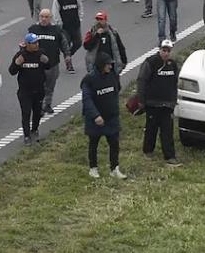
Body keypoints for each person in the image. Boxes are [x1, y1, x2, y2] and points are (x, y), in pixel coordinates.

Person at [81, 51, 126, 179]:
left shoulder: (112, 76)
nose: (110, 67)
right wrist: (95, 116)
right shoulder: (89, 79)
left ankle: (114, 168)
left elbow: (117, 89)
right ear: (101, 65)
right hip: (95, 119)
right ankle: (93, 168)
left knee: (114, 143)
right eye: (108, 64)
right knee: (93, 143)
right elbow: (87, 100)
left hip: (111, 117)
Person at [136, 39, 181, 166]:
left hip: (167, 104)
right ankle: (148, 150)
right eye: (164, 50)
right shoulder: (150, 62)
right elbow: (142, 81)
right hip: (152, 103)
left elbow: (175, 83)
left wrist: (173, 101)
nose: (166, 53)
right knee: (151, 128)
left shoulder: (173, 65)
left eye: (168, 51)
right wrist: (141, 100)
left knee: (167, 131)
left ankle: (170, 156)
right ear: (159, 49)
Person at [8, 32, 51, 146]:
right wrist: (17, 63)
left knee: (37, 112)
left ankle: (35, 130)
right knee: (26, 113)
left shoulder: (41, 54)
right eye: (33, 43)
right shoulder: (21, 55)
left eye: (37, 42)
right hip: (25, 91)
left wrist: (46, 61)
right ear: (27, 44)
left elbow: (48, 66)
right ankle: (26, 136)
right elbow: (12, 71)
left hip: (39, 90)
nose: (36, 45)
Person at [28, 9, 70, 114]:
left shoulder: (56, 30)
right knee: (39, 87)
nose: (44, 19)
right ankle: (40, 108)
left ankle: (47, 105)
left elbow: (64, 43)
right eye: (42, 16)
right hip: (37, 65)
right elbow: (27, 44)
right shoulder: (33, 29)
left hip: (53, 64)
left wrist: (67, 55)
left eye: (46, 17)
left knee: (50, 87)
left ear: (50, 18)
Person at [52, 0, 82, 73]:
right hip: (64, 27)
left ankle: (68, 55)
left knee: (78, 43)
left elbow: (80, 7)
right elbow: (55, 12)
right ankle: (69, 65)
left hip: (75, 25)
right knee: (66, 46)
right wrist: (58, 24)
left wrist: (80, 18)